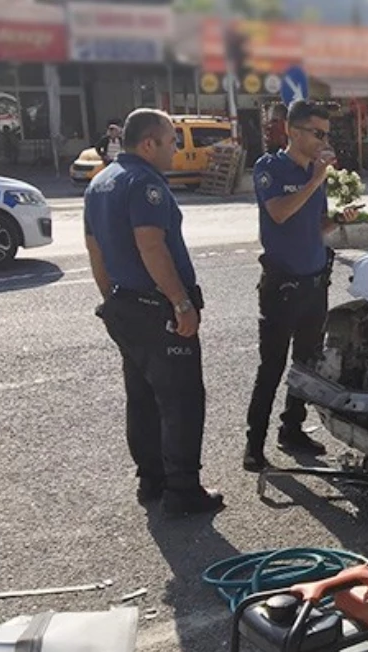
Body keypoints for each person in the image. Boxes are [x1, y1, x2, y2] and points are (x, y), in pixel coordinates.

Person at [84, 109, 223, 517]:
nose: (176, 150)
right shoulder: (145, 183)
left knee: (142, 396)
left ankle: (152, 480)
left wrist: (111, 298)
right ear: (149, 143)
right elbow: (151, 245)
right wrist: (180, 302)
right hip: (156, 307)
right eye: (171, 142)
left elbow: (95, 249)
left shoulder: (101, 182)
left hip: (125, 306)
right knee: (180, 399)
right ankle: (182, 492)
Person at [243, 100, 359, 472]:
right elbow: (279, 213)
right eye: (318, 133)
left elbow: (314, 224)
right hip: (282, 285)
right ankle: (254, 444)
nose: (323, 140)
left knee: (307, 363)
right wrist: (314, 181)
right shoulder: (271, 168)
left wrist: (338, 219)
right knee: (272, 366)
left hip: (314, 281)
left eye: (327, 133)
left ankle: (291, 428)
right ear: (293, 132)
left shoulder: (314, 172)